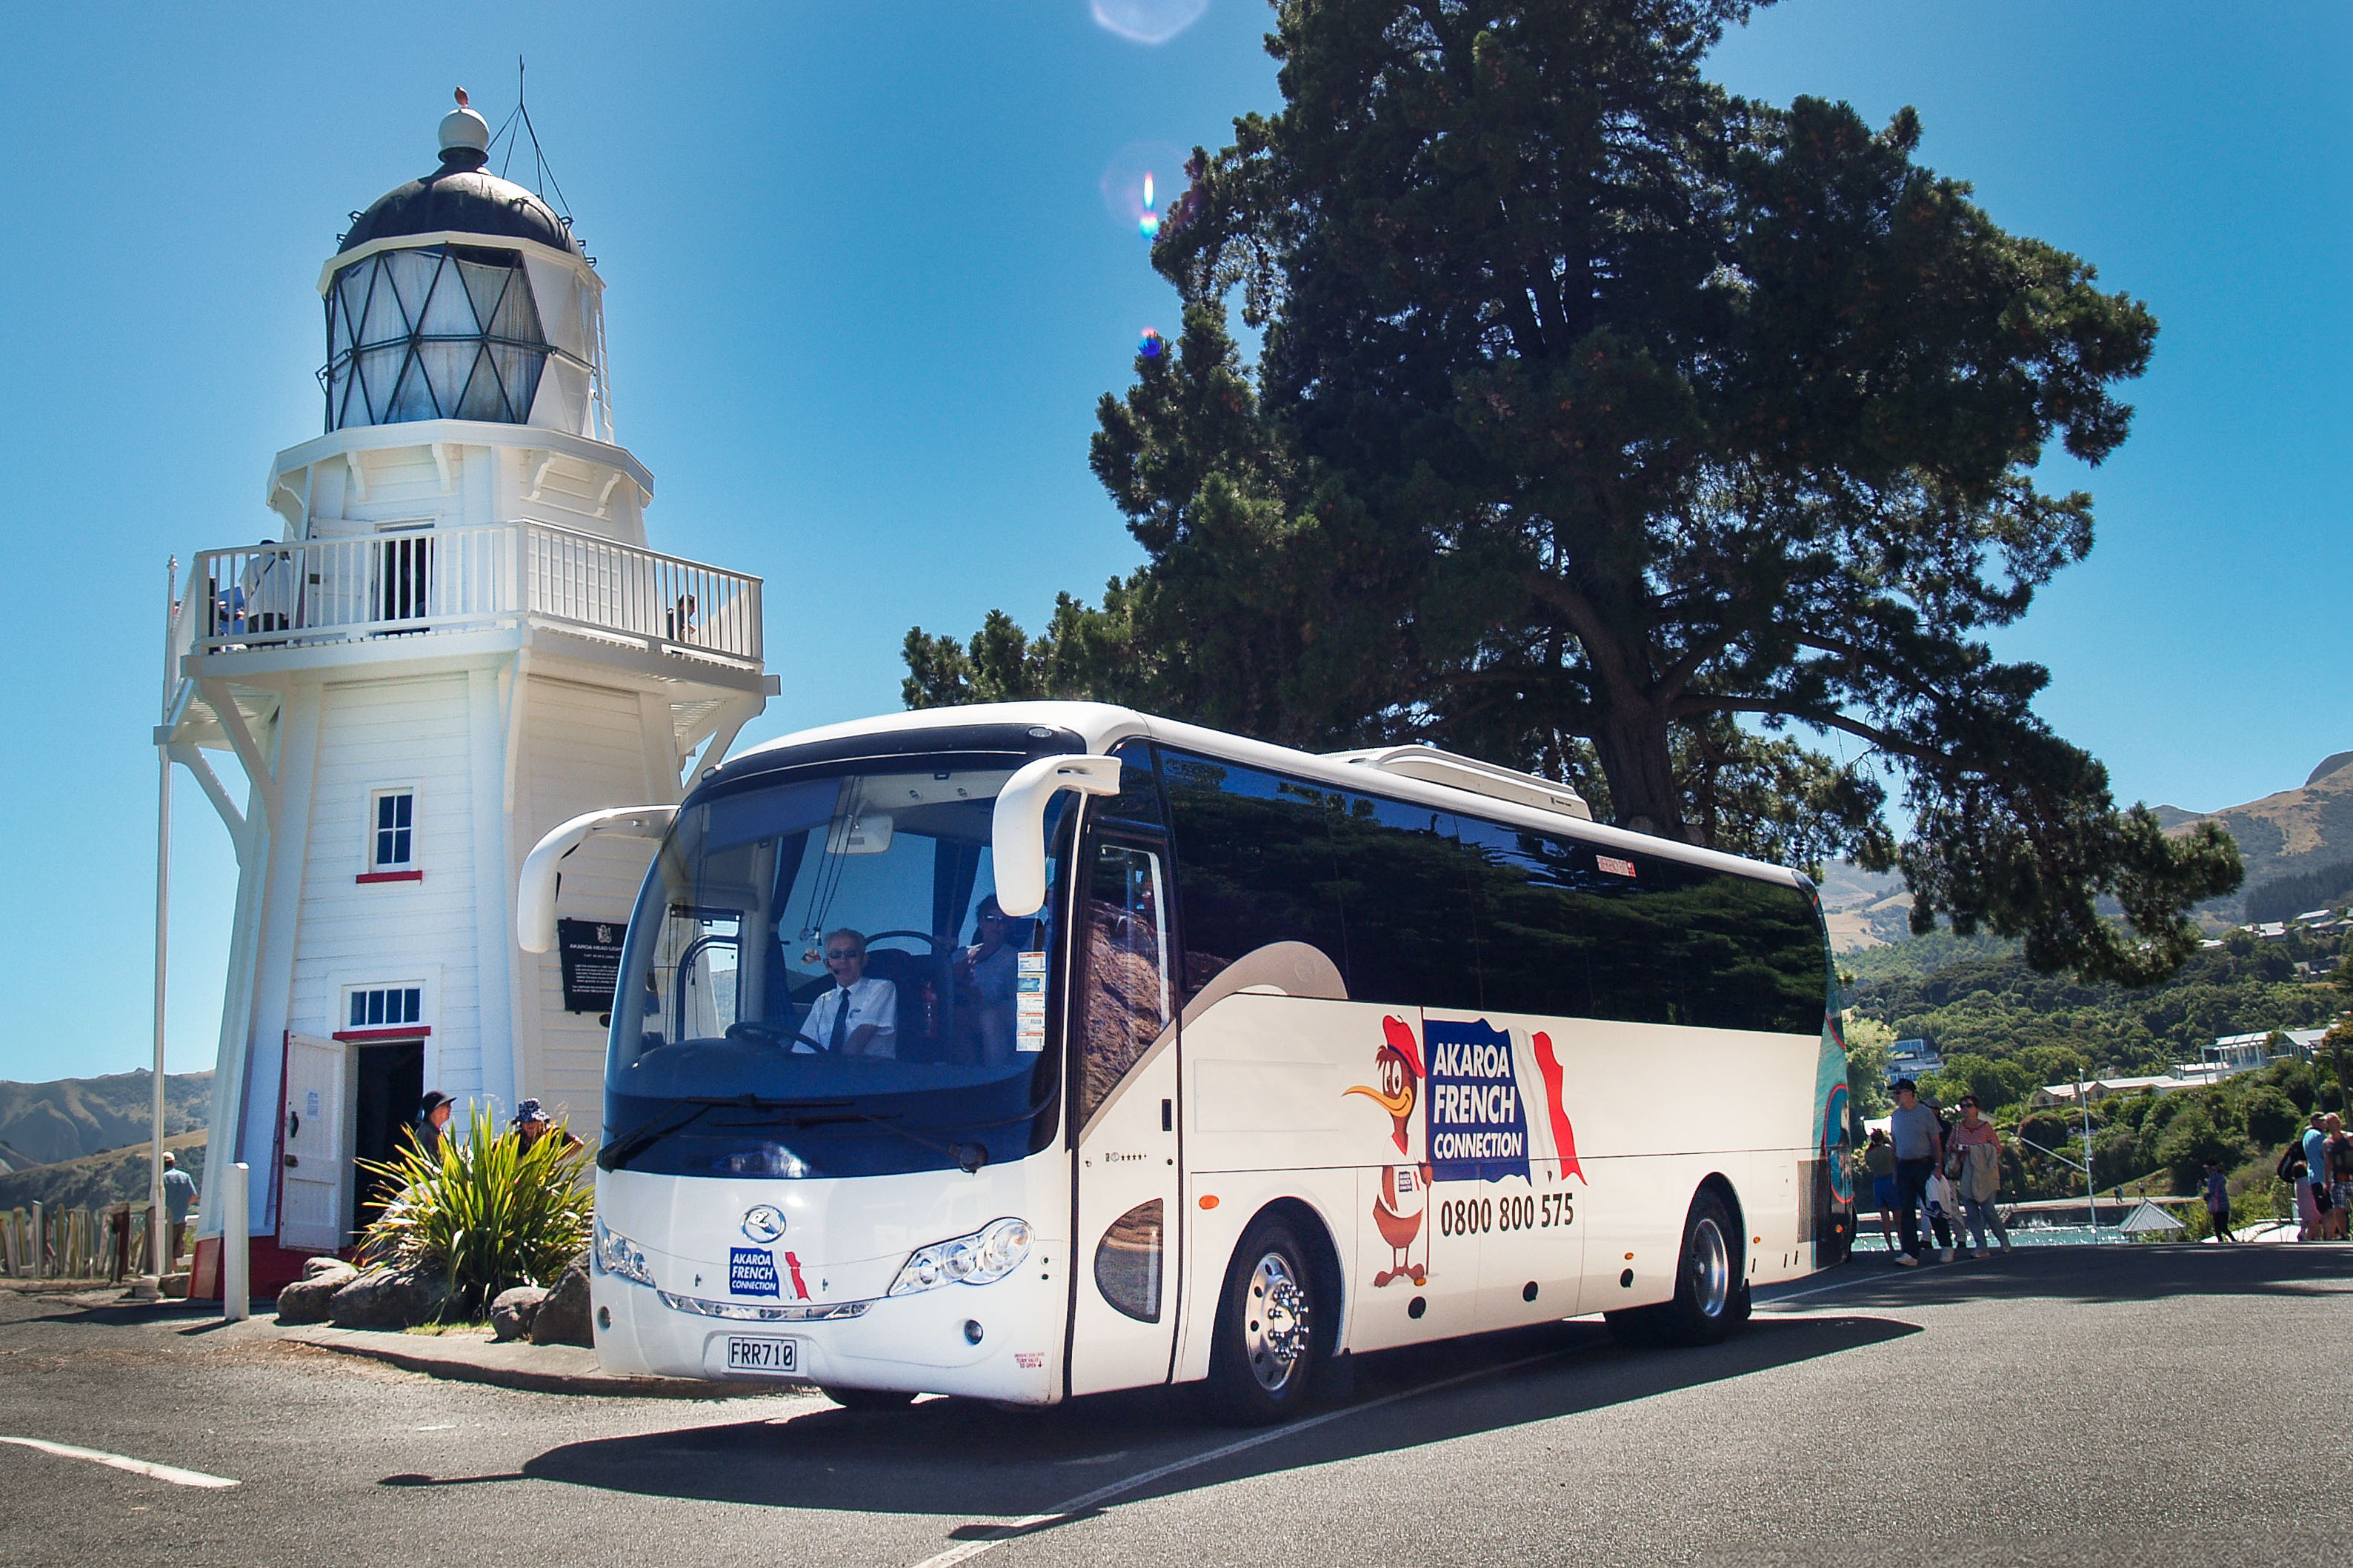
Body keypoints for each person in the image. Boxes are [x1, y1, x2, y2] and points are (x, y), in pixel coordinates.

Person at [796, 929, 898, 1058]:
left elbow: (859, 1039)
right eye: (835, 955)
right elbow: (802, 1050)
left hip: (867, 1075)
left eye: (851, 954)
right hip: (824, 1073)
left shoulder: (881, 989)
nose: (843, 960)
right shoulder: (822, 1001)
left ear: (864, 960)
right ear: (827, 965)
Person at [954, 896, 1021, 1066]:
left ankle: (995, 1075)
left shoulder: (1014, 958)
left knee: (988, 1017)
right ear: (980, 921)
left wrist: (982, 1001)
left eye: (1003, 921)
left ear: (1010, 927)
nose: (996, 926)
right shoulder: (960, 955)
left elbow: (1018, 1002)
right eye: (990, 918)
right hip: (959, 1012)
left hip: (993, 1014)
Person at [1887, 1078, 1943, 1267]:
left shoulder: (1926, 1113)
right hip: (1904, 1166)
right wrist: (1895, 1170)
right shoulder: (1896, 1116)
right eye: (1894, 1093)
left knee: (1933, 1206)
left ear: (1909, 1093)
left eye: (1898, 1092)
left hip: (1924, 1164)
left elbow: (1936, 1140)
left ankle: (1946, 1244)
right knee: (1906, 1210)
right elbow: (1895, 1145)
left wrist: (1938, 1166)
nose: (1895, 1096)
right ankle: (1911, 1252)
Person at [1948, 1095, 2010, 1256]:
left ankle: (2003, 1239)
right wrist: (1959, 1149)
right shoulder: (1958, 1128)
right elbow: (1949, 1147)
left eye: (1969, 1106)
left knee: (1988, 1210)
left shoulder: (1986, 1127)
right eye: (1962, 1106)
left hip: (1985, 1174)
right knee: (1972, 1212)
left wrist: (1977, 1151)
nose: (1965, 1109)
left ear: (1976, 1108)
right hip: (1966, 1173)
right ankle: (1981, 1246)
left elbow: (1996, 1148)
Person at [160, 1151, 198, 1270]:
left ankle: (165, 1278)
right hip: (180, 1220)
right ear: (174, 1163)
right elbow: (193, 1196)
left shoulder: (161, 1179)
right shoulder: (184, 1177)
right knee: (174, 1255)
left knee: (162, 1253)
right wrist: (182, 1206)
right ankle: (172, 1276)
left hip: (164, 1221)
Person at [1863, 1128, 1897, 1252]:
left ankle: (1890, 1245)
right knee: (1897, 1215)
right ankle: (1904, 1243)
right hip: (1890, 1181)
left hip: (1878, 1182)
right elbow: (1896, 1157)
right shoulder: (1888, 1150)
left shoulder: (1869, 1154)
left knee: (1885, 1218)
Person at [511, 1098, 583, 1156]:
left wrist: (554, 1159)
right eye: (526, 1121)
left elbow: (578, 1145)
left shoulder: (552, 1133)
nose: (530, 1124)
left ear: (540, 1121)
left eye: (534, 1120)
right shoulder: (515, 1138)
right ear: (521, 1123)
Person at [2302, 1113, 2332, 1241]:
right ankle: (2330, 1239)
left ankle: (2328, 1238)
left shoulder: (2307, 1136)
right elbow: (2329, 1154)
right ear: (2314, 1122)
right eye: (2322, 1121)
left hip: (2313, 1177)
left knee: (2325, 1210)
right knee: (2329, 1211)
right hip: (2322, 1177)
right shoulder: (2319, 1137)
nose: (2325, 1124)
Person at [2326, 1113, 2353, 1243]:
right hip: (2338, 1178)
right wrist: (2327, 1181)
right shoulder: (2327, 1143)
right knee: (2338, 1208)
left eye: (2337, 1121)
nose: (2336, 1124)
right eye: (2333, 1122)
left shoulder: (2349, 1137)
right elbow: (2328, 1163)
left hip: (2351, 1176)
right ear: (2328, 1125)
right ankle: (2343, 1233)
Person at [413, 1090, 455, 1162]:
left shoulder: (442, 1133)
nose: (450, 1109)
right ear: (435, 1109)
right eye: (446, 1105)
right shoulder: (425, 1133)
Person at [2201, 1158, 2234, 1244]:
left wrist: (2207, 1196)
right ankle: (2231, 1241)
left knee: (2220, 1227)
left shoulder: (2214, 1178)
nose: (2207, 1171)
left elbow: (2213, 1192)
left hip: (2219, 1206)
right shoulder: (2218, 1177)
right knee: (2221, 1227)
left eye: (2208, 1168)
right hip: (2221, 1206)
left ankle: (2225, 1242)